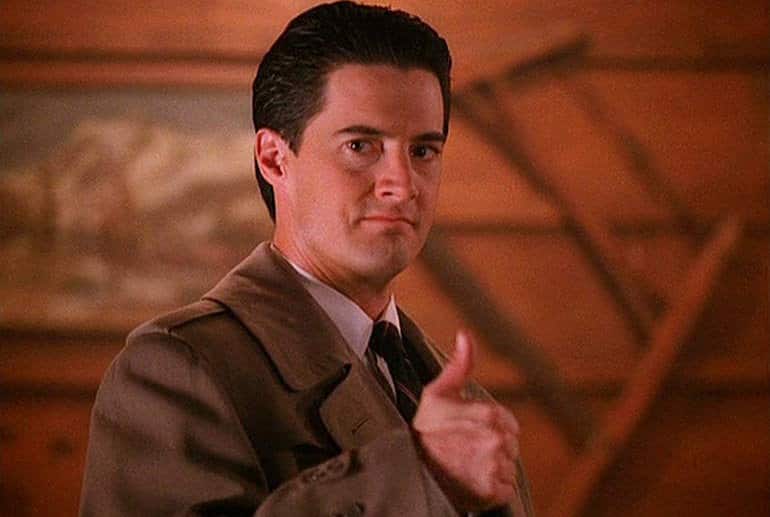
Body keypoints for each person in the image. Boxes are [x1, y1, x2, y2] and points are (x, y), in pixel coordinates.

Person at [79, 2, 534, 516]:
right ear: (275, 159)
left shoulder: (462, 402)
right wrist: (420, 474)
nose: (402, 184)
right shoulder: (175, 369)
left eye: (423, 151)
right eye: (361, 146)